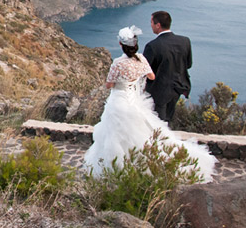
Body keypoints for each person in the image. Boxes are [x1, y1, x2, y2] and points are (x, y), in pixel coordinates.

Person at [84, 25, 215, 182]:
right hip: (135, 100)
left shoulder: (118, 63)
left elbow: (109, 85)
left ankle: (116, 167)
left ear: (121, 45)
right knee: (140, 131)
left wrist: (122, 80)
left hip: (119, 101)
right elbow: (151, 76)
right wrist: (137, 78)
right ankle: (142, 162)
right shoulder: (141, 59)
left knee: (114, 134)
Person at [143, 11, 192, 123]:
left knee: (156, 123)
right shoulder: (185, 41)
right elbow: (188, 64)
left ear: (158, 25)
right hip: (177, 88)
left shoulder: (152, 46)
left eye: (151, 22)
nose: (150, 25)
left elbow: (145, 70)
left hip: (158, 91)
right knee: (167, 120)